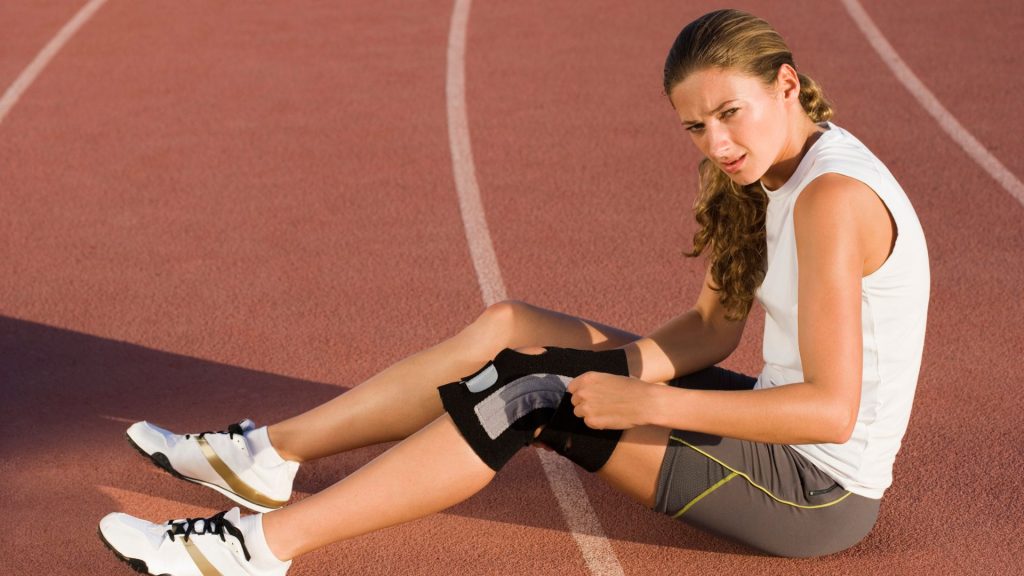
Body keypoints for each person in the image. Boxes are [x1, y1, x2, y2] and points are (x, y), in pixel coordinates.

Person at [97, 8, 930, 574]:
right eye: (695, 127)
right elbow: (713, 333)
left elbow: (831, 411)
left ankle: (257, 550)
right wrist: (598, 368)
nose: (716, 142)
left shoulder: (831, 199)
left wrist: (644, 403)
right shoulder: (770, 172)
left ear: (786, 85)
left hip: (816, 491)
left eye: (731, 113)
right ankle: (266, 458)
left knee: (528, 396)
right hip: (775, 428)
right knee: (511, 331)